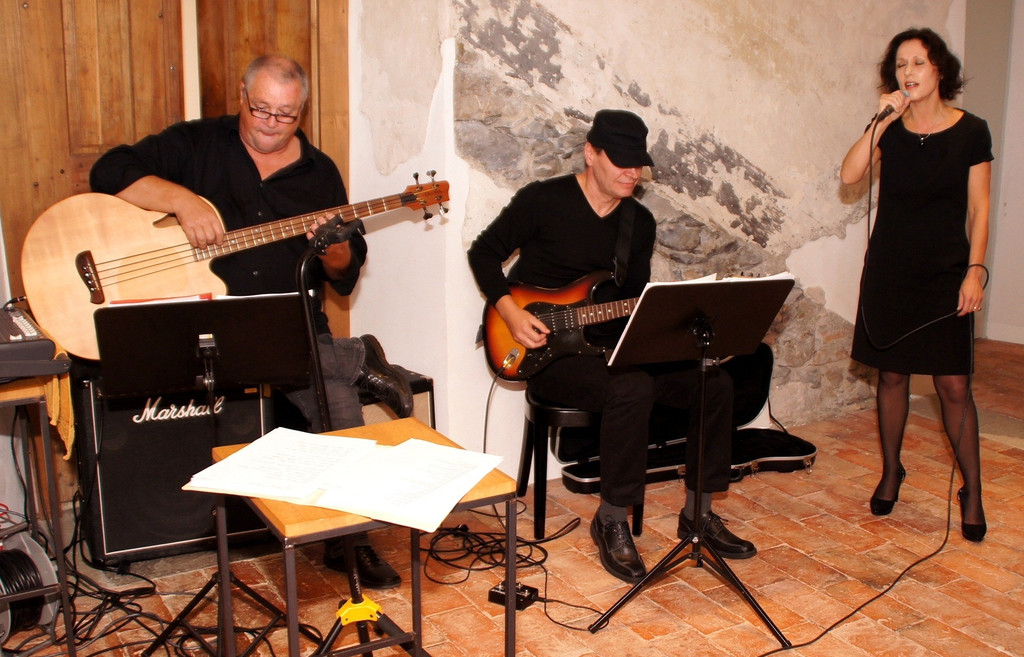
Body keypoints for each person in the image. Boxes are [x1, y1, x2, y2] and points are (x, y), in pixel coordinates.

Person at [89, 54, 415, 586]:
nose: (270, 123)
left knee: (339, 409)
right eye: (260, 108)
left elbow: (344, 274)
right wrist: (181, 201)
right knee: (319, 366)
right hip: (202, 321)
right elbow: (109, 170)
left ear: (301, 111)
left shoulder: (320, 172)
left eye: (285, 114)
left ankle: (350, 541)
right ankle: (355, 358)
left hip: (287, 324)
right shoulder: (197, 143)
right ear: (242, 96)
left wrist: (332, 247)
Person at [468, 109, 756, 584]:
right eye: (621, 161)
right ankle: (611, 518)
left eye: (638, 163)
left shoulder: (638, 223)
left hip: (606, 345)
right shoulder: (543, 200)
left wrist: (667, 319)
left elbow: (631, 301)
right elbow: (482, 253)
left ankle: (699, 513)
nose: (632, 172)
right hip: (547, 352)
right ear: (591, 154)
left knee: (714, 381)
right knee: (631, 388)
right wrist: (512, 314)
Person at [840, 28, 992, 542]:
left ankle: (972, 490)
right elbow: (850, 175)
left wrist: (975, 270)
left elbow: (980, 209)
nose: (908, 72)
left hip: (947, 272)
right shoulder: (890, 129)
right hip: (891, 271)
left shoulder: (971, 131)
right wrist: (881, 120)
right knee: (891, 377)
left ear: (940, 70)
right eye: (901, 64)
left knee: (954, 385)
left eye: (918, 63)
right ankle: (891, 471)